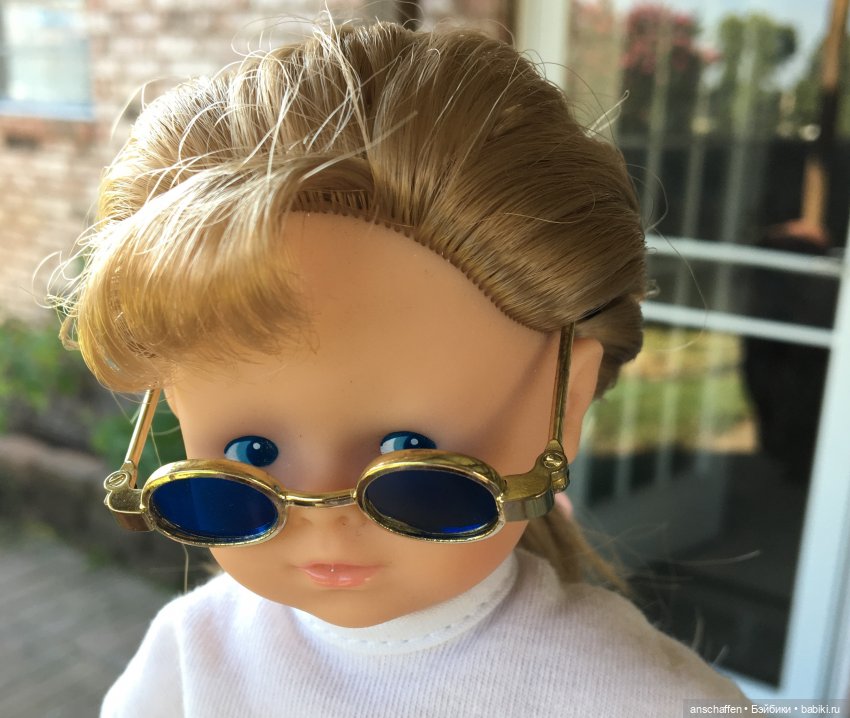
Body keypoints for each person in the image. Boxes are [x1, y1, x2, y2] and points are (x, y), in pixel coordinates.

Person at [54, 20, 747, 716]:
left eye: (409, 451)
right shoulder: (194, 650)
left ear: (563, 405)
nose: (326, 519)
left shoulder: (633, 695)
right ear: (174, 404)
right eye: (249, 454)